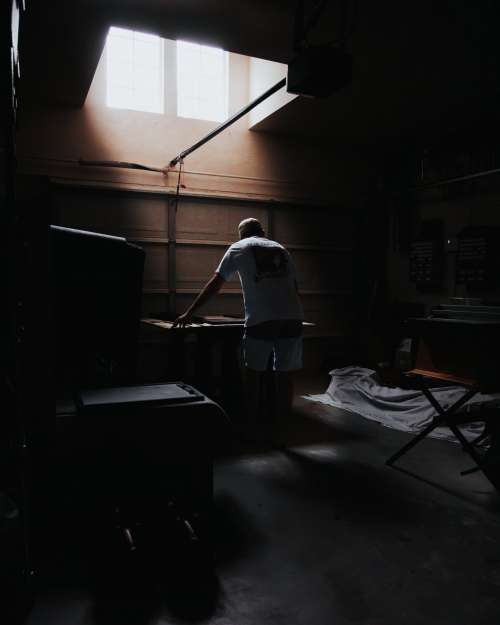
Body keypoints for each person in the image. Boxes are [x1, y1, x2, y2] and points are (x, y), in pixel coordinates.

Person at [173, 217, 304, 439]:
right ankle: (283, 432)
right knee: (285, 376)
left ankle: (251, 428)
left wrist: (190, 312)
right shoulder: (281, 249)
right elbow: (294, 287)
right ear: (262, 231)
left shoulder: (238, 248)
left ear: (241, 235)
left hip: (262, 319)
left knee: (253, 375)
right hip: (293, 318)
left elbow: (216, 283)